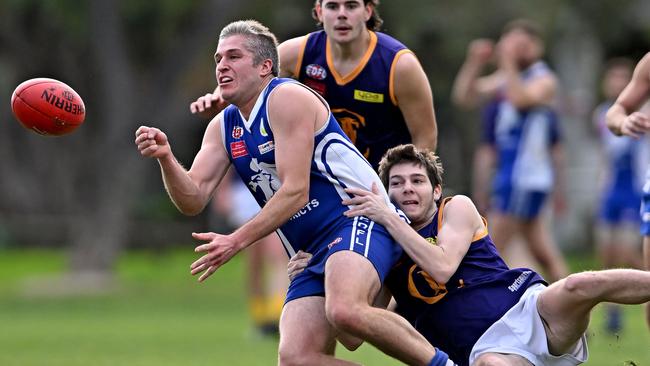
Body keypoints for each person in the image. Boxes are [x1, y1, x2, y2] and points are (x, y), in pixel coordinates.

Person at [136, 20, 454, 366]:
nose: (222, 66)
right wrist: (166, 158)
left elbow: (296, 192)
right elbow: (193, 199)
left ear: (265, 66)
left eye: (233, 56)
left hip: (358, 218)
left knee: (345, 311)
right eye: (217, 59)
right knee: (297, 358)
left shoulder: (286, 97)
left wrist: (235, 240)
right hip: (311, 248)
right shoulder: (223, 126)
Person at [289, 144, 650, 365]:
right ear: (387, 194)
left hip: (528, 311)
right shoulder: (383, 249)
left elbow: (443, 267)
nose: (407, 189)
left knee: (581, 285)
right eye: (396, 184)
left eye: (417, 180)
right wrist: (324, 269)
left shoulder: (455, 208)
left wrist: (387, 217)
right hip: (484, 350)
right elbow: (353, 335)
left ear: (436, 190)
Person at [190, 0, 437, 169]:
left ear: (367, 11)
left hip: (380, 179)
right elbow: (249, 76)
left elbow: (426, 136)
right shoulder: (297, 53)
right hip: (326, 177)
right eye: (332, 6)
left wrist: (406, 183)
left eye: (351, 5)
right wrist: (217, 99)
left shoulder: (398, 65)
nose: (341, 14)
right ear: (319, 12)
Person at [451, 19, 569, 282]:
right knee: (543, 252)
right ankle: (574, 305)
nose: (515, 50)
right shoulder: (510, 77)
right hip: (512, 175)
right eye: (511, 43)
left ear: (537, 47)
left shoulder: (544, 78)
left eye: (522, 45)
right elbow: (465, 97)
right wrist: (475, 62)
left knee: (488, 246)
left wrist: (506, 61)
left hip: (524, 177)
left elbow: (521, 99)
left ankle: (474, 303)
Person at [592, 58, 648, 333]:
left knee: (628, 250)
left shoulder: (645, 108)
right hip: (611, 189)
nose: (616, 83)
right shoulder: (602, 114)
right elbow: (607, 146)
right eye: (612, 77)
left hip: (634, 190)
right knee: (607, 252)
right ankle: (613, 312)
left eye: (621, 78)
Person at [210, 170, 288, 337]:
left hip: (276, 187)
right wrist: (222, 189)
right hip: (245, 189)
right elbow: (226, 150)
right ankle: (260, 318)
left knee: (277, 255)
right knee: (254, 260)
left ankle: (277, 316)